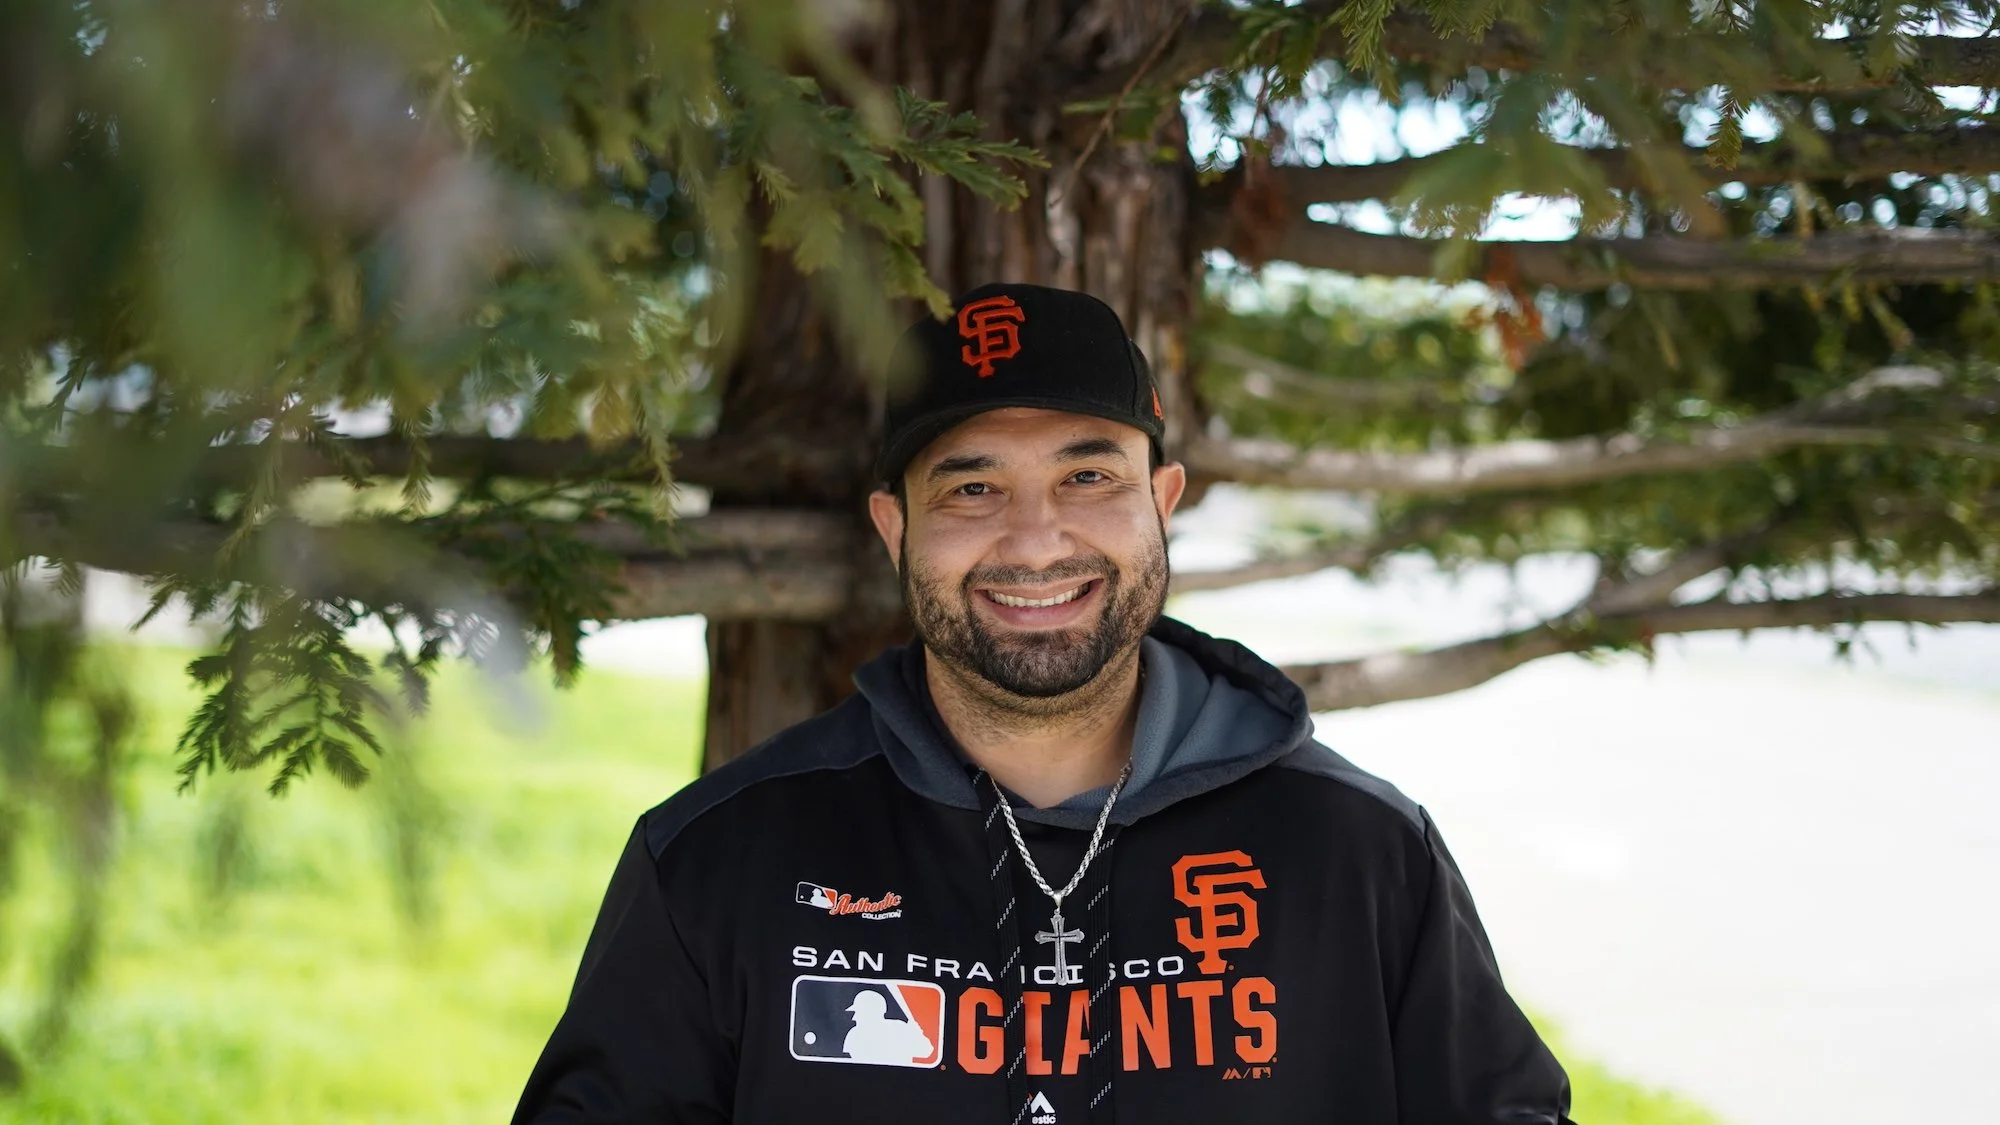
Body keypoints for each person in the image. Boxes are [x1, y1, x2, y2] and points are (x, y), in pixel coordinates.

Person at [511, 282, 1575, 1124]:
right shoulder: (718, 857)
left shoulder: (1357, 851)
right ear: (894, 528)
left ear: (1161, 502)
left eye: (1087, 477)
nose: (1033, 541)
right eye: (972, 488)